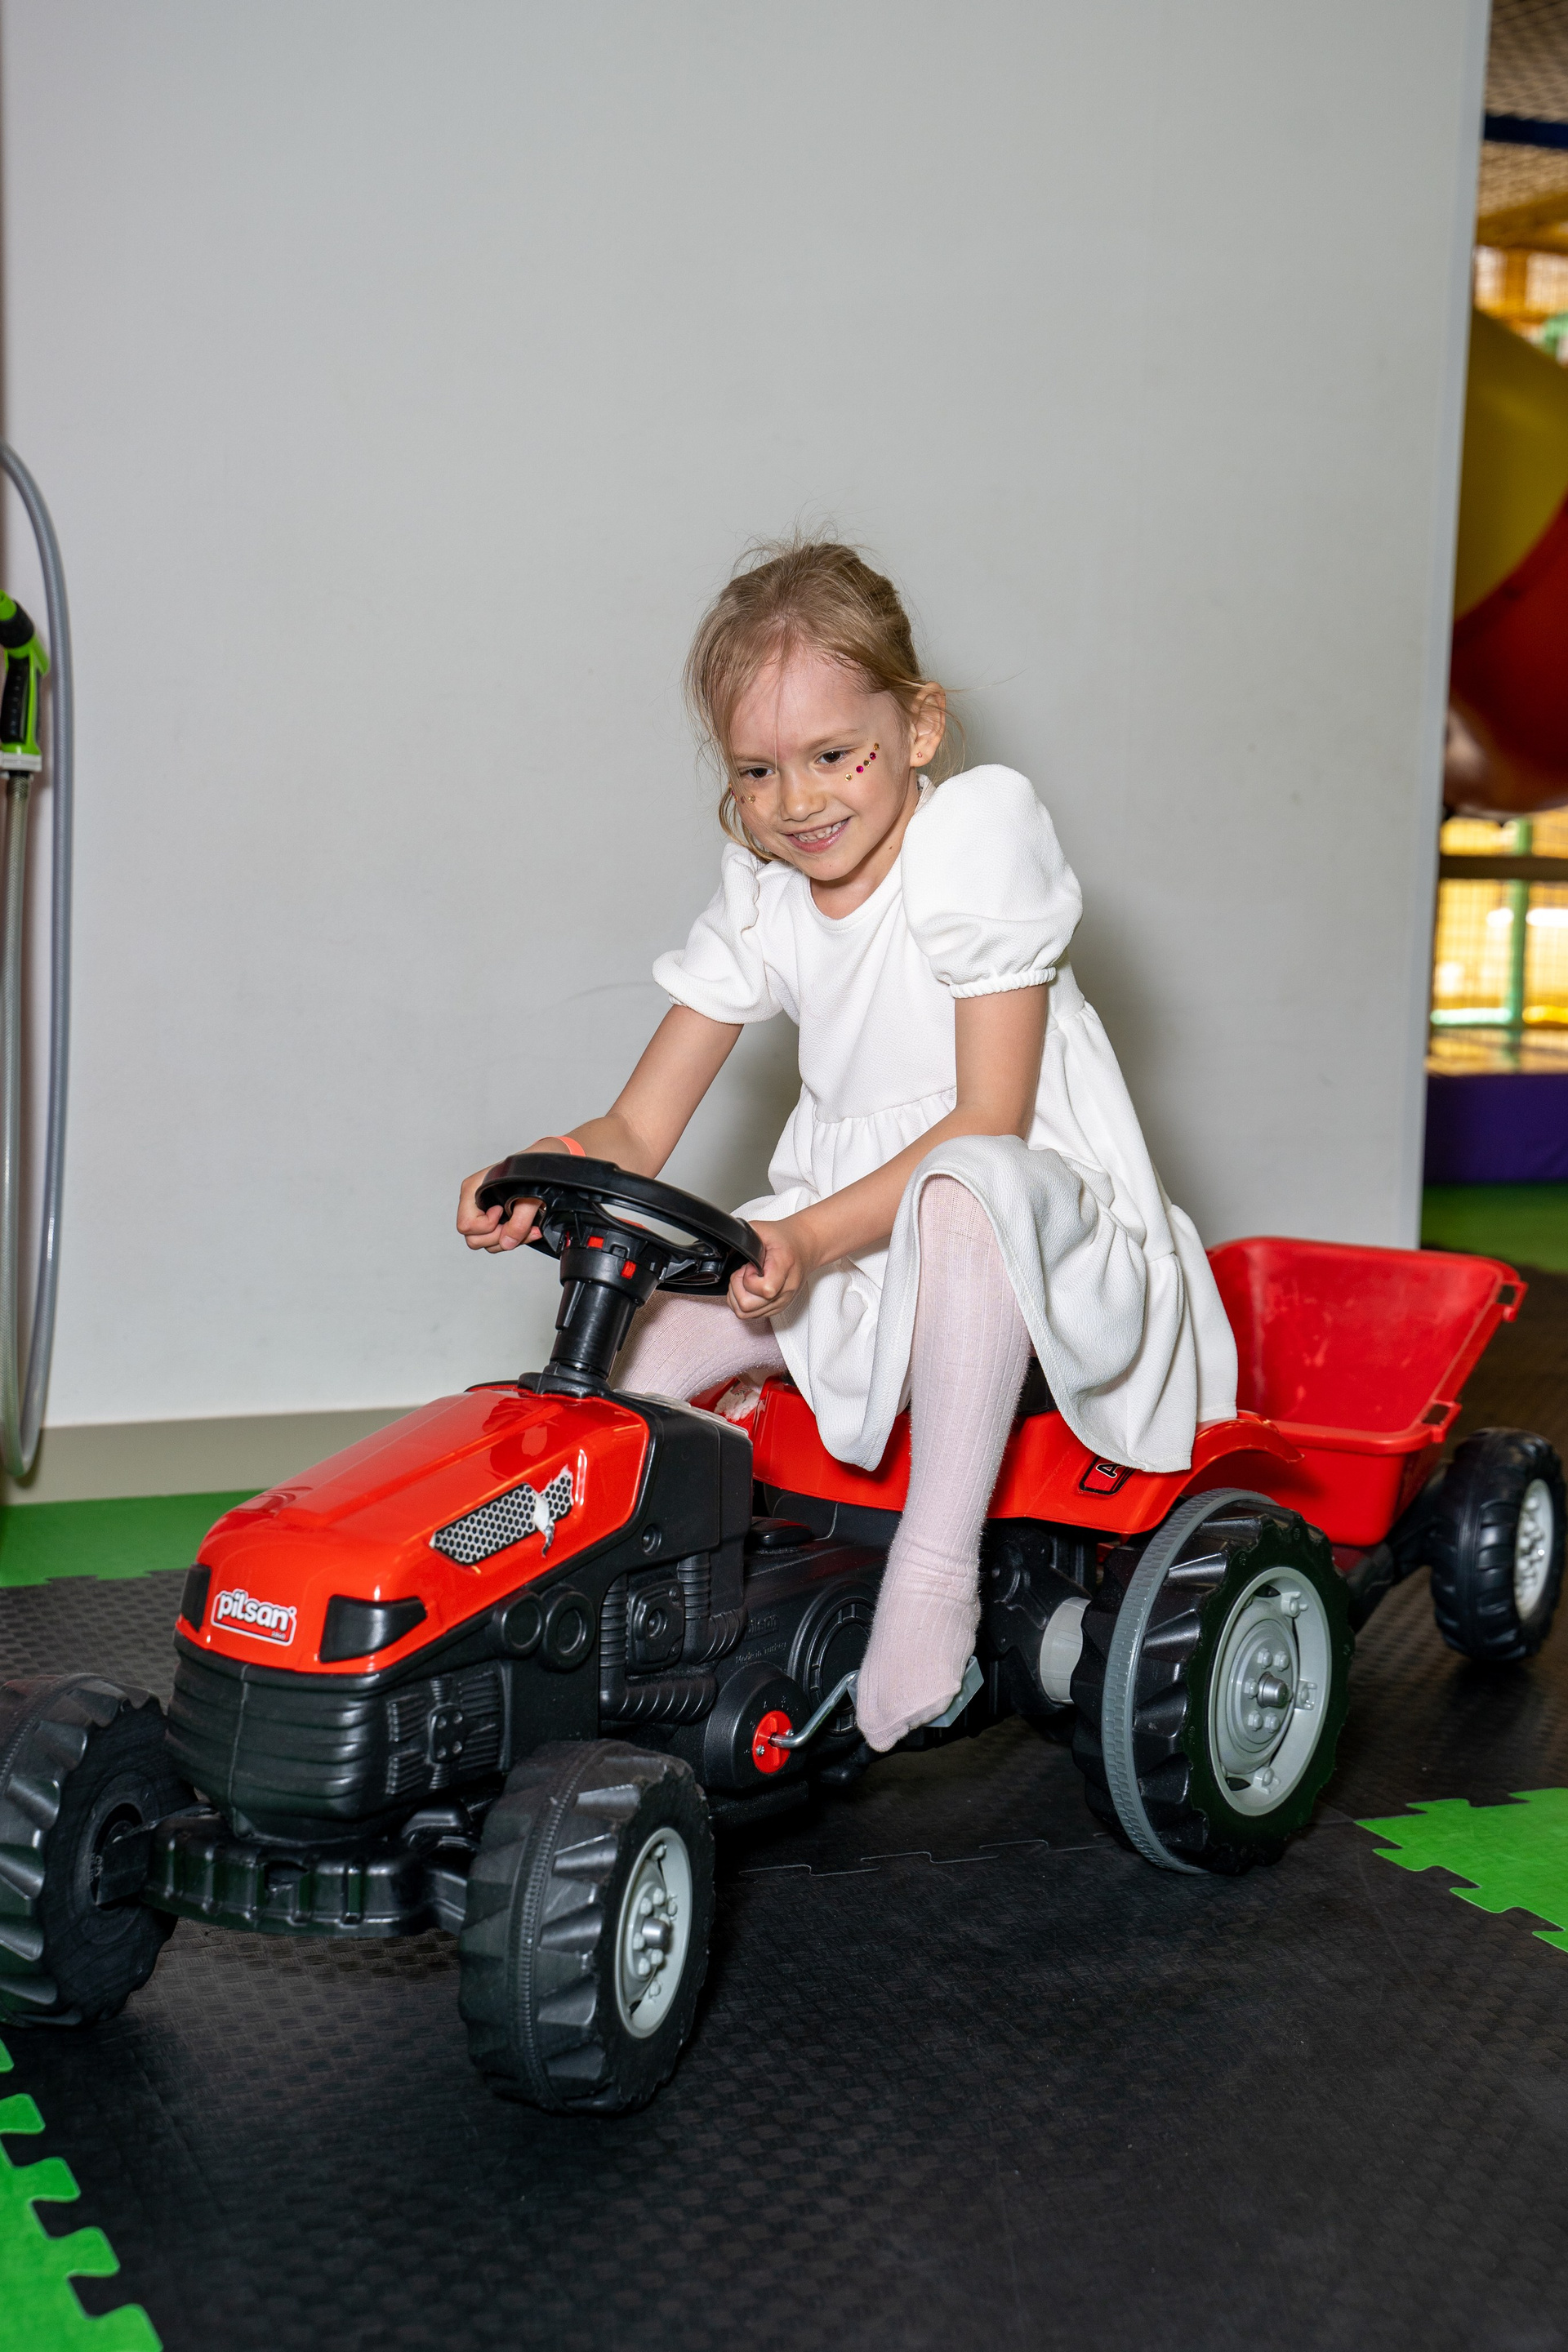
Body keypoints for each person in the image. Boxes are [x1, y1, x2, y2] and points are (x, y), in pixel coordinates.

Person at [457, 539, 1237, 1753]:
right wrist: (547, 1166)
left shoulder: (974, 843)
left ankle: (934, 1572)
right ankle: (574, 1609)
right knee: (646, 1348)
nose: (797, 801)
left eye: (834, 755)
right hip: (844, 1247)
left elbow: (988, 1119)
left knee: (963, 1191)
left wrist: (809, 1238)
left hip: (1032, 1241)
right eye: (757, 771)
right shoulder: (767, 895)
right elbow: (639, 1125)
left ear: (918, 728)